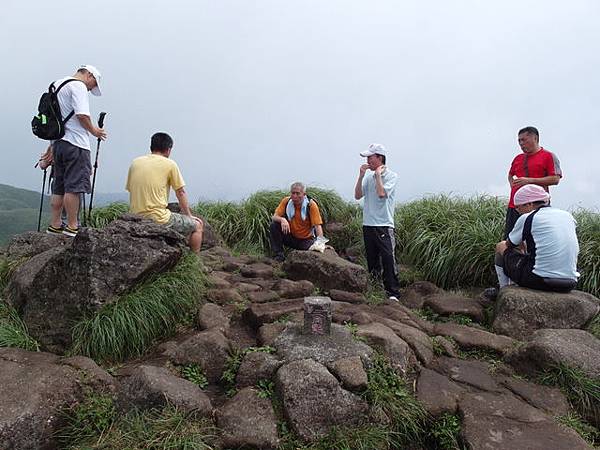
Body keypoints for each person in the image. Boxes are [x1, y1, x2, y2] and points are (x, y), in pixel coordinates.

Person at [46, 65, 107, 237]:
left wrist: (51, 146)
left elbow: (56, 119)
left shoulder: (56, 85)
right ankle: (72, 226)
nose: (90, 89)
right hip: (76, 144)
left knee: (59, 185)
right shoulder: (78, 86)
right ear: (89, 75)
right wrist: (95, 131)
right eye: (92, 85)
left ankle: (55, 224)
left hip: (58, 143)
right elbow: (82, 115)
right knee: (74, 186)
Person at [492, 184, 579, 294]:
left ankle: (503, 289)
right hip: (569, 282)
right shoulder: (567, 216)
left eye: (518, 207)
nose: (517, 211)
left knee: (501, 246)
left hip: (539, 280)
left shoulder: (528, 217)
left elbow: (509, 245)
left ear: (529, 204)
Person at [125, 132, 203, 253]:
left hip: (135, 216)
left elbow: (131, 189)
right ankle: (195, 263)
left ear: (151, 147)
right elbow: (180, 192)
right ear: (168, 149)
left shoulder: (135, 162)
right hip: (158, 218)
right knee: (197, 225)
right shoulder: (170, 164)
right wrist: (188, 215)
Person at [354, 143, 401, 301]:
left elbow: (382, 194)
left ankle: (393, 293)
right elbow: (357, 195)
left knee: (388, 258)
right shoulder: (368, 177)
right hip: (368, 224)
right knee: (372, 259)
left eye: (370, 157)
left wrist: (379, 176)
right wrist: (361, 175)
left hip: (384, 224)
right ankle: (375, 289)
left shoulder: (391, 176)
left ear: (379, 158)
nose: (368, 160)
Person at [504, 126, 561, 238]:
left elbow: (555, 179)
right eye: (519, 140)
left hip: (537, 206)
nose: (521, 143)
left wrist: (529, 181)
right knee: (510, 240)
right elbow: (510, 174)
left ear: (535, 138)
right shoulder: (518, 158)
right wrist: (513, 186)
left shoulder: (548, 156)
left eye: (524, 140)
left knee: (533, 240)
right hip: (515, 206)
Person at [270, 182, 324, 262]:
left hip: (305, 240)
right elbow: (274, 217)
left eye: (298, 193)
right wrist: (282, 219)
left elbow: (317, 226)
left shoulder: (311, 205)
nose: (294, 196)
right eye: (293, 193)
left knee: (314, 250)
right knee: (274, 225)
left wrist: (321, 243)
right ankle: (279, 256)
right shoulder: (286, 201)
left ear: (304, 194)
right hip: (290, 236)